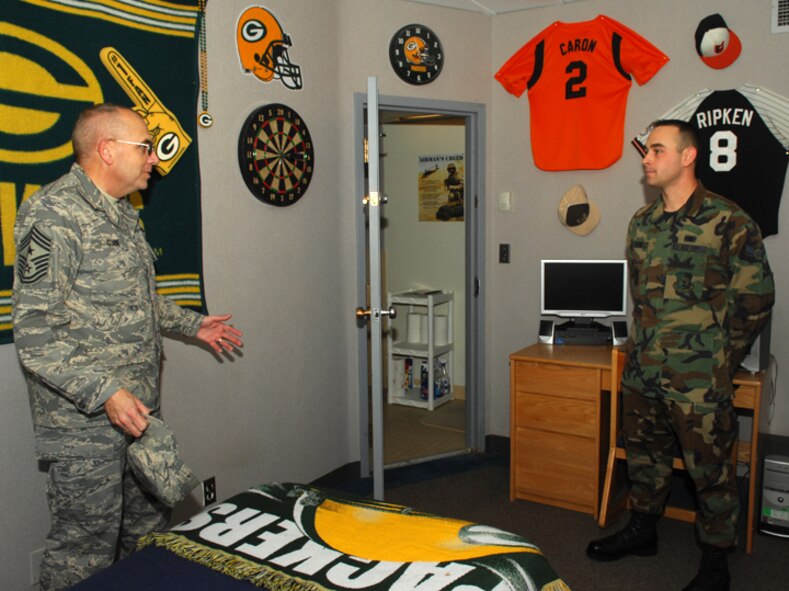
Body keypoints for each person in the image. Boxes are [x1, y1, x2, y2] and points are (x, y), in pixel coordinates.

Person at [12, 103, 244, 590]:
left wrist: (194, 325)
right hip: (86, 426)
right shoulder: (54, 214)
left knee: (148, 535)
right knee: (84, 552)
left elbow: (137, 299)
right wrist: (106, 393)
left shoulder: (121, 212)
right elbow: (35, 332)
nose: (154, 159)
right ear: (107, 150)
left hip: (138, 413)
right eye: (145, 147)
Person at [586, 120, 774, 591]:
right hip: (644, 370)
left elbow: (755, 300)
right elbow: (641, 296)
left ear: (688, 156)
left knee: (711, 471)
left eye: (657, 150)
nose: (646, 159)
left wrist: (719, 359)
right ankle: (643, 529)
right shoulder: (642, 223)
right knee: (644, 457)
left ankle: (715, 559)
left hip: (698, 379)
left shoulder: (728, 221)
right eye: (646, 151)